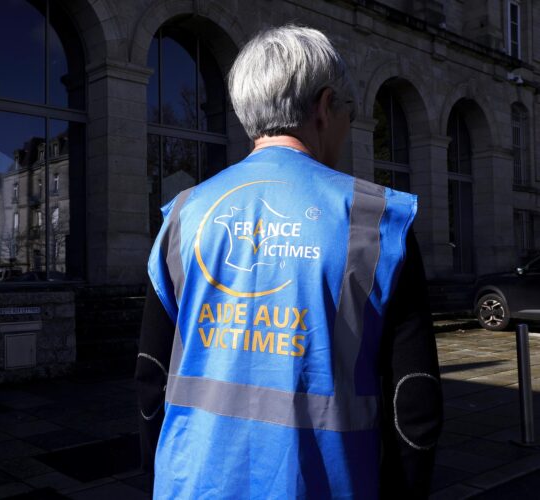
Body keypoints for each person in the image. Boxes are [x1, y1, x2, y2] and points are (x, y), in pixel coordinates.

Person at [136, 25, 443, 499]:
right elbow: (414, 402)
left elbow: (150, 377)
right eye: (348, 110)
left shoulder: (183, 215)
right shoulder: (375, 219)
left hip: (191, 484)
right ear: (324, 107)